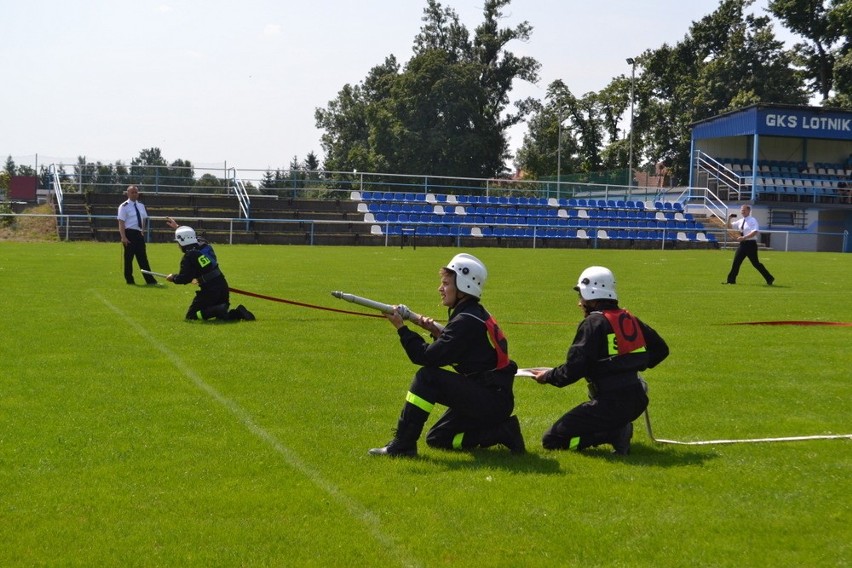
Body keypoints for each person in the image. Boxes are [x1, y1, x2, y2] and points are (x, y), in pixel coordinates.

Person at [369, 253, 525, 457]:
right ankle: (502, 432)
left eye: (445, 283)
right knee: (438, 439)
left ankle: (403, 445)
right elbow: (461, 352)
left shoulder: (465, 321)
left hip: (490, 399)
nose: (440, 289)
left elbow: (426, 357)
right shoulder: (472, 313)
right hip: (491, 396)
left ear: (463, 287)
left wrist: (401, 328)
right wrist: (437, 333)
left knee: (427, 378)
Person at [530, 266, 669, 455]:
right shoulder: (629, 318)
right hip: (636, 400)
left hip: (609, 404)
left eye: (581, 297)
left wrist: (547, 377)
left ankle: (610, 434)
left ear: (592, 295)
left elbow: (574, 370)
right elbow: (661, 350)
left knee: (552, 441)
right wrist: (632, 364)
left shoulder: (593, 323)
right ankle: (615, 428)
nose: (580, 303)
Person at [165, 225, 255, 322]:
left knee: (192, 316)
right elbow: (203, 269)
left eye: (178, 243)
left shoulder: (189, 256)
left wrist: (173, 278)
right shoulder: (203, 248)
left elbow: (185, 278)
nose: (178, 246)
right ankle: (238, 312)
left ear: (182, 241)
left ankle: (219, 309)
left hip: (210, 291)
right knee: (222, 317)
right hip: (222, 286)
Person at [723, 204, 774, 285]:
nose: (742, 211)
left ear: (749, 211)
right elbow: (729, 226)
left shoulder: (752, 220)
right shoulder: (740, 221)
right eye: (741, 210)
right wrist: (729, 218)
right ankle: (731, 281)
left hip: (751, 244)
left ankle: (769, 278)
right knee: (736, 262)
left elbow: (755, 231)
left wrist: (744, 237)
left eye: (744, 210)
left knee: (756, 264)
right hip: (743, 244)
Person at [117, 184, 157, 285]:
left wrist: (142, 231)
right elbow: (121, 222)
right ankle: (129, 280)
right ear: (128, 194)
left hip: (139, 234)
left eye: (136, 192)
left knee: (143, 258)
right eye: (132, 192)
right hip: (129, 233)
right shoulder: (123, 206)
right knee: (129, 259)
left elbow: (144, 219)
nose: (134, 194)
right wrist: (123, 237)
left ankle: (150, 280)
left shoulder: (141, 205)